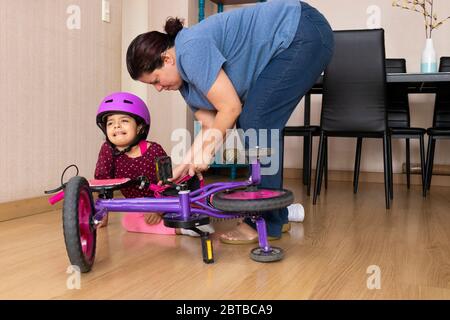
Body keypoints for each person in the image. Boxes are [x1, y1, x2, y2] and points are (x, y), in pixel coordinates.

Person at [126, 0, 333, 243]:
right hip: (298, 37)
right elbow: (210, 125)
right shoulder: (187, 87)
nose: (159, 88)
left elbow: (231, 108)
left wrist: (209, 151)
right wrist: (187, 162)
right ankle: (276, 216)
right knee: (255, 122)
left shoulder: (190, 50)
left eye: (156, 80)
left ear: (167, 59)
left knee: (256, 121)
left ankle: (262, 221)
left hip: (302, 30)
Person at [94, 91, 214, 236]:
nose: (117, 126)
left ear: (139, 127)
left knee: (184, 203)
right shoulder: (107, 151)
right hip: (139, 207)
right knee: (128, 221)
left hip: (165, 200)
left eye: (124, 121)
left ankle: (189, 223)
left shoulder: (153, 150)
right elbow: (103, 182)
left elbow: (169, 183)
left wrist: (158, 209)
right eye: (110, 123)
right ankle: (181, 229)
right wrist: (103, 213)